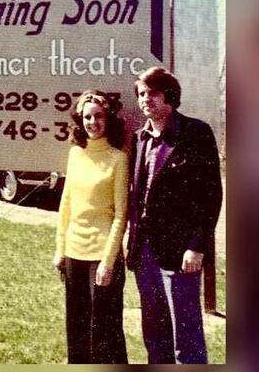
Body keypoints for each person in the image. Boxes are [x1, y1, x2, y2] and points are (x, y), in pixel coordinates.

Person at [125, 67, 223, 364]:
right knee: (154, 331)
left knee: (186, 333)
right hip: (144, 252)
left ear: (170, 95)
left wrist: (197, 245)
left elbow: (211, 197)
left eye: (152, 93)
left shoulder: (196, 133)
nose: (145, 100)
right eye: (141, 94)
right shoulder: (140, 138)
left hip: (180, 253)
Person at [53, 90, 129, 364]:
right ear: (79, 120)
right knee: (77, 328)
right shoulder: (75, 155)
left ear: (108, 119)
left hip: (102, 257)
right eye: (87, 117)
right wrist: (60, 250)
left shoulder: (118, 159)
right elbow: (66, 205)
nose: (93, 122)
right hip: (74, 254)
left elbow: (121, 215)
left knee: (105, 333)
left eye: (98, 116)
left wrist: (108, 263)